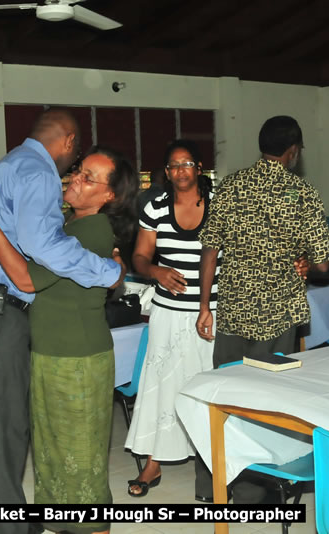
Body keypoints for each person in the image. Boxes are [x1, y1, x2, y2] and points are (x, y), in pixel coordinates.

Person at [0, 109, 124, 534]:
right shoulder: (39, 172)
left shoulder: (10, 164)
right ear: (67, 142)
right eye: (78, 161)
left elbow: (38, 251)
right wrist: (110, 272)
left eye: (88, 176)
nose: (74, 173)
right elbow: (43, 250)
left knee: (4, 423)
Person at [196, 116, 329, 500]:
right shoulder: (302, 193)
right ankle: (260, 492)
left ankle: (215, 486)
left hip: (233, 308)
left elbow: (210, 250)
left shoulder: (231, 185)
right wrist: (306, 258)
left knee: (226, 394)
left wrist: (205, 306)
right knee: (270, 403)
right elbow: (324, 264)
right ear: (293, 151)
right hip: (276, 313)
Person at [124, 139, 217, 498]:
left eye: (187, 164)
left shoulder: (219, 205)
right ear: (166, 173)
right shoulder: (156, 208)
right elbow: (140, 257)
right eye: (174, 165)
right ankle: (153, 461)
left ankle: (210, 461)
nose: (181, 171)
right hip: (168, 311)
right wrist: (157, 271)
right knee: (160, 385)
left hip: (211, 312)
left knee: (208, 386)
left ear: (199, 168)